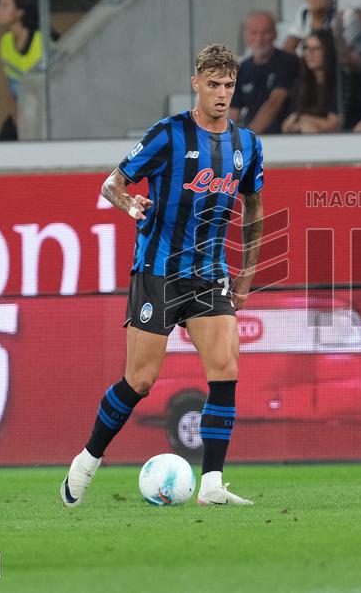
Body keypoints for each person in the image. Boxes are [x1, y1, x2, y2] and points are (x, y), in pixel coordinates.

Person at [61, 44, 265, 508]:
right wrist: (130, 203)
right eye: (212, 84)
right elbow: (112, 184)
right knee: (140, 380)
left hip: (210, 274)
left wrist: (247, 274)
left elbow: (253, 211)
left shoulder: (248, 145)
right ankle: (87, 461)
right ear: (196, 84)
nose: (221, 94)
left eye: (228, 85)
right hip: (158, 272)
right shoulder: (168, 134)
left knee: (226, 369)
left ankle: (212, 483)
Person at [230, 11, 300, 135]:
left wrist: (248, 138)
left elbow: (274, 104)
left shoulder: (288, 61)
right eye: (254, 33)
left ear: (275, 34)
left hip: (285, 137)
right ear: (245, 36)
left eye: (265, 33)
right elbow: (233, 111)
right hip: (255, 137)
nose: (259, 39)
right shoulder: (242, 68)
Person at [0, 0, 48, 141]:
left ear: (19, 12)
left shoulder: (42, 42)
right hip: (21, 114)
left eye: (4, 5)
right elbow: (10, 87)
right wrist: (17, 120)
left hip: (45, 115)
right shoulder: (5, 42)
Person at [281, 30, 340, 134]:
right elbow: (286, 125)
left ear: (328, 51)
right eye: (306, 48)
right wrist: (302, 123)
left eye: (316, 49)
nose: (309, 53)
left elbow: (335, 123)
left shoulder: (338, 83)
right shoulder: (299, 84)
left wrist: (303, 120)